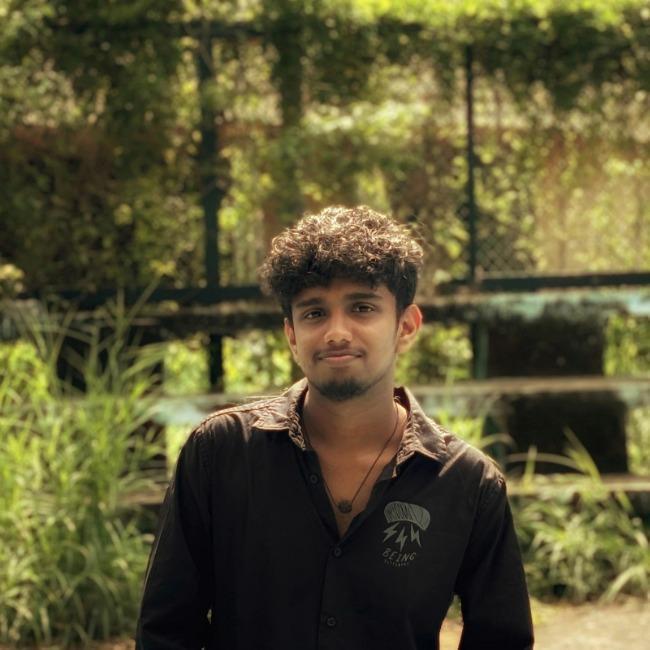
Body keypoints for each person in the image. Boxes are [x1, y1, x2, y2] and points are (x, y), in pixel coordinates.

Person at [136, 205, 534, 649]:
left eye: (362, 308)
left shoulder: (466, 483)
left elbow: (501, 640)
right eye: (314, 313)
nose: (337, 332)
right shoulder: (219, 453)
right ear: (291, 334)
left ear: (406, 326)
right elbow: (165, 632)